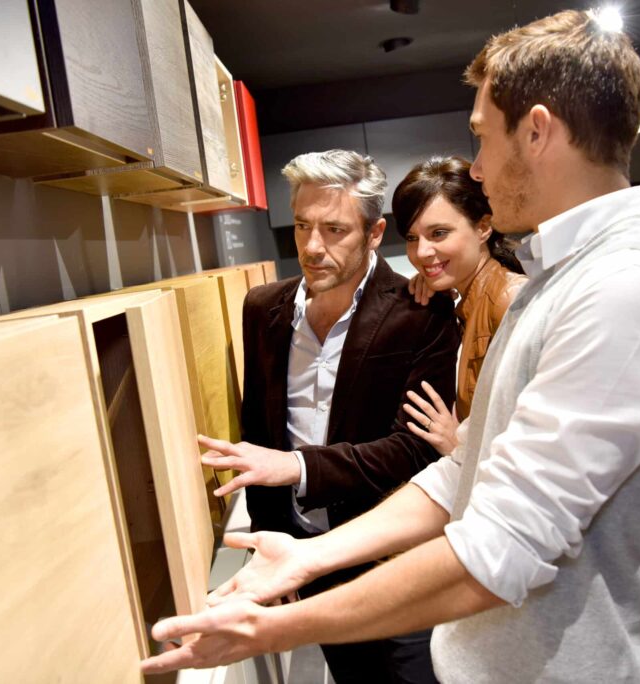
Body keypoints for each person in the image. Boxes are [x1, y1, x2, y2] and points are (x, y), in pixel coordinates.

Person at [142, 10, 640, 683]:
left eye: (482, 138)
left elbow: (502, 544)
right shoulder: (562, 276)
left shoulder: (635, 289)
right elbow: (465, 471)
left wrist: (267, 627)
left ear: (537, 132)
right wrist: (312, 556)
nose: (476, 169)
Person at [195, 148, 460, 683]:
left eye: (335, 229)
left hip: (392, 562)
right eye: (301, 226)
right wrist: (278, 549)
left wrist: (297, 468)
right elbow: (259, 435)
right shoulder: (261, 309)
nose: (313, 248)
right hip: (300, 558)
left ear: (375, 231)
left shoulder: (422, 311)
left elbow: (414, 448)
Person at [393, 155, 527, 456]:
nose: (422, 251)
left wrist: (460, 446)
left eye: (439, 233)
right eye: (413, 238)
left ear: (483, 227)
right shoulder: (463, 300)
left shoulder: (509, 301)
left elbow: (532, 436)